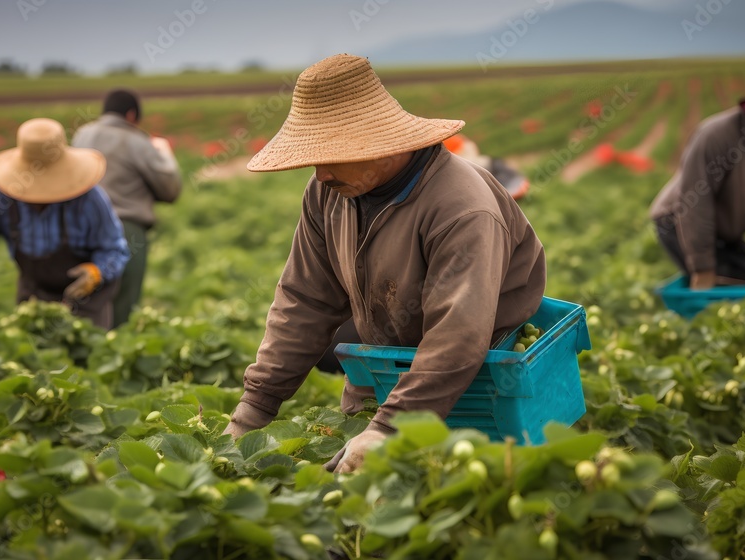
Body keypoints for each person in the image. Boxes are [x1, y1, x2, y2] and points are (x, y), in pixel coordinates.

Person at [221, 54, 547, 474]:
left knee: (457, 505)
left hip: (480, 390)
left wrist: (388, 429)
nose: (319, 173)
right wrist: (253, 408)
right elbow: (306, 301)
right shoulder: (329, 194)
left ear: (376, 143)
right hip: (380, 376)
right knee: (355, 512)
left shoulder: (462, 209)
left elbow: (459, 335)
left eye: (329, 154)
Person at [0, 118, 130, 329]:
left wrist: (96, 273)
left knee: (87, 355)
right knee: (33, 356)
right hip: (34, 296)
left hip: (87, 303)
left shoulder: (89, 199)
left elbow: (116, 250)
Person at [650, 73, 745, 289]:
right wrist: (702, 267)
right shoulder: (716, 135)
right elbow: (695, 201)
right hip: (680, 222)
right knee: (722, 295)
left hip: (725, 232)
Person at [72, 89, 182, 328]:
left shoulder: (82, 135)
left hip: (79, 229)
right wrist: (164, 153)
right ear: (131, 115)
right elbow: (170, 190)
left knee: (83, 305)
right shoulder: (137, 141)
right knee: (121, 308)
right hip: (125, 230)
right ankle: (113, 358)